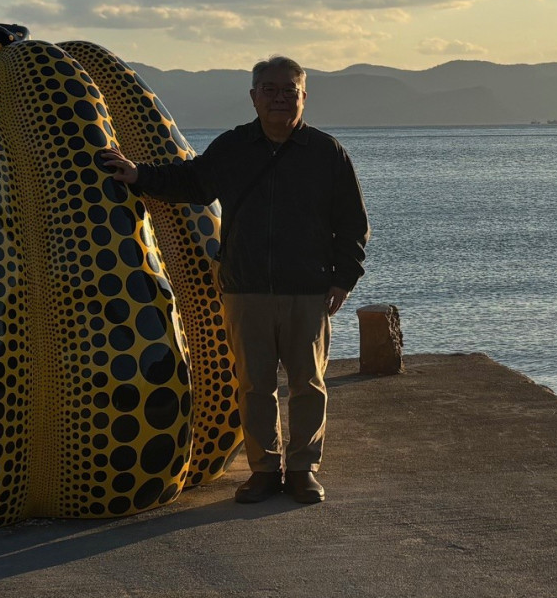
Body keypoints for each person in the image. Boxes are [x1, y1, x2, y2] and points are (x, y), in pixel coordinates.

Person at [100, 55, 368, 505]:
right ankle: (264, 469)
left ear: (304, 96)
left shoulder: (326, 153)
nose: (280, 98)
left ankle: (303, 469)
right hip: (244, 289)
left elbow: (353, 224)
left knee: (308, 383)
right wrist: (139, 175)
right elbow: (195, 183)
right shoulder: (234, 146)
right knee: (253, 384)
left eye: (289, 90)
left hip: (307, 289)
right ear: (253, 97)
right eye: (270, 90)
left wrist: (344, 279)